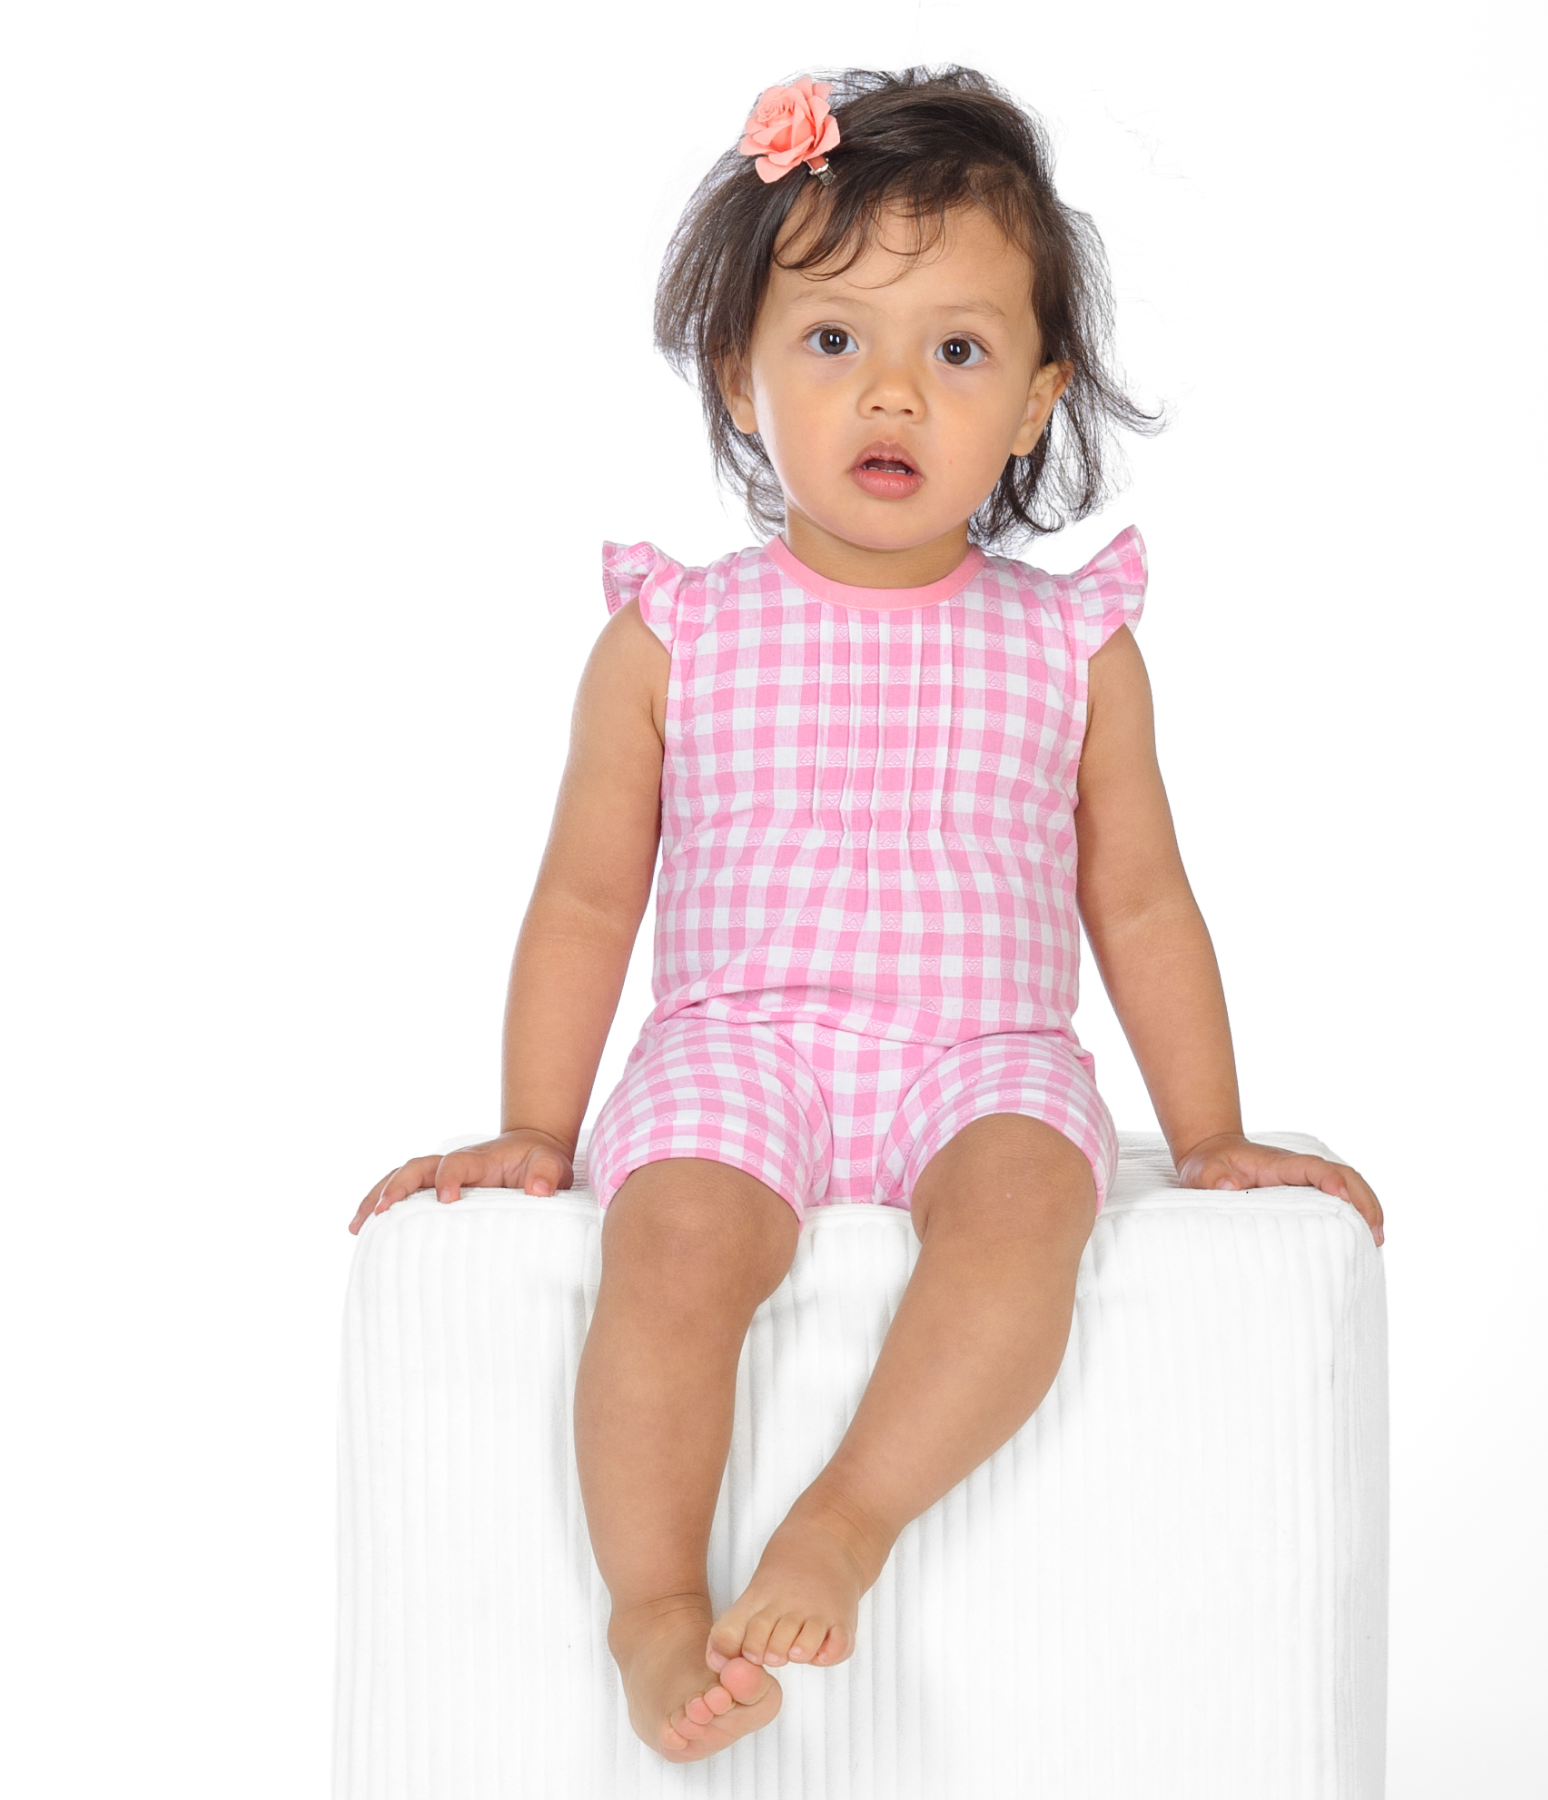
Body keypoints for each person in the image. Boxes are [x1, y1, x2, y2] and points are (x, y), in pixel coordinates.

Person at [349, 64, 1385, 1765]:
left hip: (980, 1051)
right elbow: (589, 896)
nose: (892, 390)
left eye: (957, 350)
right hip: (737, 1045)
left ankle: (847, 1516)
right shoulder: (675, 638)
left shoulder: (1072, 648)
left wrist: (1209, 1134)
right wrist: (538, 1125)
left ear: (1038, 399)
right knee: (673, 1242)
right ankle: (653, 1606)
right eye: (834, 339)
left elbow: (1139, 901)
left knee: (1029, 1203)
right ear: (739, 376)